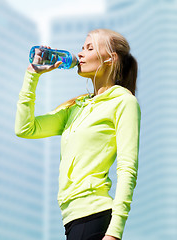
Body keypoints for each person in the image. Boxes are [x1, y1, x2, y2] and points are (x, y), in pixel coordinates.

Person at [15, 29, 141, 240]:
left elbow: (127, 168)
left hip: (95, 216)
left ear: (110, 59)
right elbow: (25, 128)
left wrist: (114, 233)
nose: (80, 54)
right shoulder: (76, 107)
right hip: (72, 219)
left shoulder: (123, 102)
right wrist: (32, 75)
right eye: (82, 48)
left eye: (89, 48)